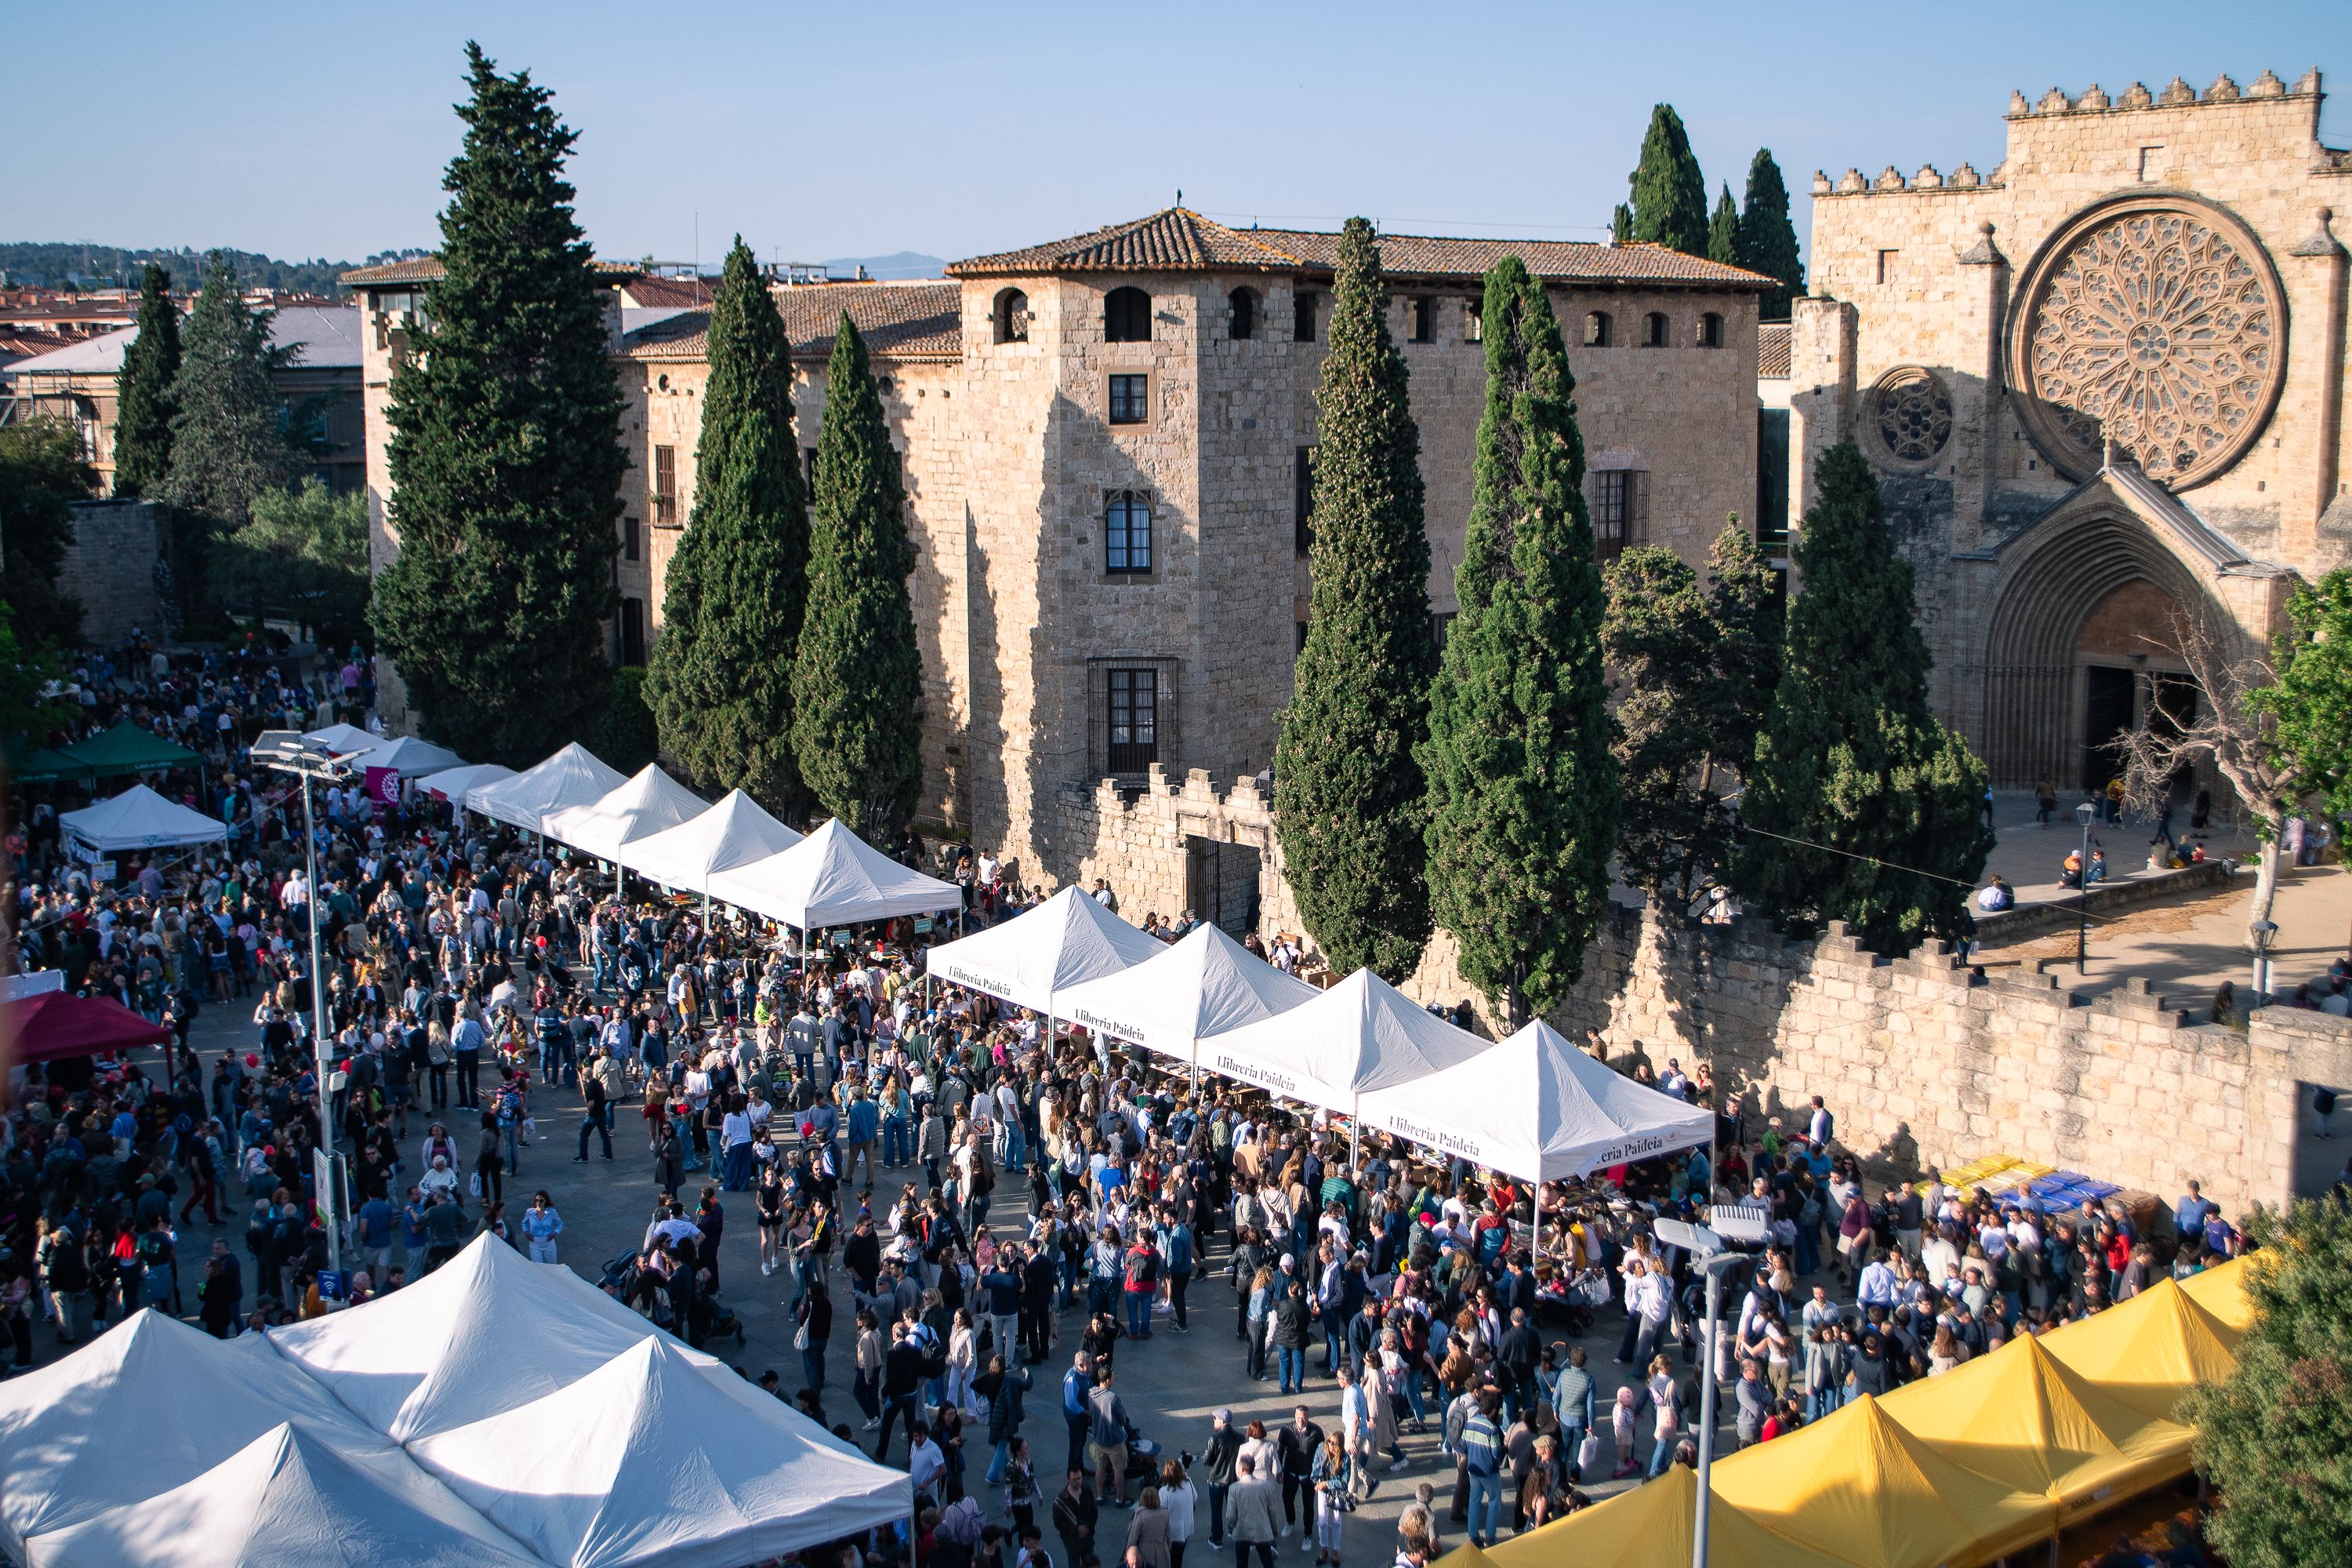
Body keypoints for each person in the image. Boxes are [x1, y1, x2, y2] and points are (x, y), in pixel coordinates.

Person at [1224, 1455, 1279, 1568]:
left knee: (1242, 1563)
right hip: (1261, 1530)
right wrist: (1274, 1528)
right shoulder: (1266, 1486)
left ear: (1242, 1469)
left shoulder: (1234, 1488)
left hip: (1241, 1531)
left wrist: (1232, 1526)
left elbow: (1231, 1514)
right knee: (1267, 1562)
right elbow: (1272, 1511)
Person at [1054, 1470, 1101, 1568]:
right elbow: (1058, 1523)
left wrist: (1088, 1527)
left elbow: (1094, 1511)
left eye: (1080, 1478)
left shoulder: (1087, 1491)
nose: (1078, 1481)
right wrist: (1077, 1530)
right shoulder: (1061, 1500)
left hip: (1088, 1537)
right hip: (1072, 1541)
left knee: (1089, 1563)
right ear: (1068, 1480)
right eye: (1075, 1479)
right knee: (1074, 1564)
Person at [521, 1191, 563, 1263]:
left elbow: (560, 1223)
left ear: (546, 1201)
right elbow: (524, 1223)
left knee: (552, 1267)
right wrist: (527, 1232)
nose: (539, 1203)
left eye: (541, 1201)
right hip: (535, 1243)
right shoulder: (530, 1212)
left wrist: (555, 1233)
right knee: (538, 1267)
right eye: (537, 1200)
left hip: (548, 1243)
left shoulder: (551, 1213)